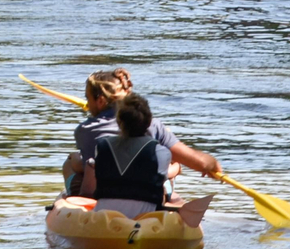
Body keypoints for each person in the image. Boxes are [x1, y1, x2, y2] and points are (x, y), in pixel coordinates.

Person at [61, 71, 219, 196]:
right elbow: (198, 162)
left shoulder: (85, 130)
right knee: (170, 165)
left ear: (101, 101)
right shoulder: (153, 124)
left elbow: (91, 168)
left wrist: (75, 160)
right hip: (147, 193)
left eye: (88, 98)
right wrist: (211, 164)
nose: (87, 104)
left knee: (69, 164)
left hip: (105, 193)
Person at [81, 94, 209, 219]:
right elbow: (162, 175)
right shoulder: (161, 151)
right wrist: (177, 167)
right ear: (148, 123)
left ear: (119, 122)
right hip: (144, 216)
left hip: (105, 214)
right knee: (166, 184)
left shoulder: (102, 146)